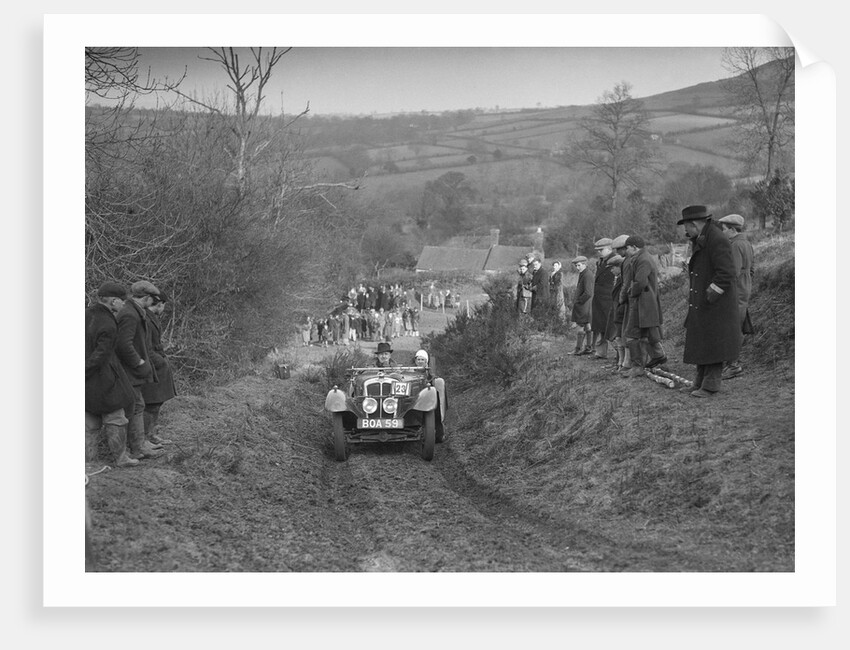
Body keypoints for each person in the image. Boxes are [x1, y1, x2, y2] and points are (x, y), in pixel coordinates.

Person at [678, 205, 741, 398]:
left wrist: (711, 294)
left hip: (716, 304)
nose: (685, 231)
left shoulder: (716, 239)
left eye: (686, 226)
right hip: (704, 302)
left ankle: (710, 386)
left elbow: (727, 272)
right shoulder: (704, 237)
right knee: (702, 343)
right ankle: (699, 382)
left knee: (713, 344)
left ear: (694, 224)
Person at [85, 282, 139, 468]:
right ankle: (121, 458)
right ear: (114, 301)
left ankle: (89, 462)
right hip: (103, 378)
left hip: (86, 381)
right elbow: (100, 355)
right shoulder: (108, 323)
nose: (123, 304)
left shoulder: (85, 315)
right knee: (116, 417)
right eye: (122, 301)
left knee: (89, 421)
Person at [115, 280, 163, 459]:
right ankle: (137, 447)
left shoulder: (133, 311)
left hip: (131, 370)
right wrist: (139, 362)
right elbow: (123, 344)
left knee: (138, 405)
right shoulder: (130, 314)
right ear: (147, 298)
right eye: (153, 299)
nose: (154, 302)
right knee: (135, 406)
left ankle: (139, 445)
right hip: (129, 371)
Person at [620, 236, 667, 378]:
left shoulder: (643, 260)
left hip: (642, 302)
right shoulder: (642, 257)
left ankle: (637, 367)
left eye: (627, 248)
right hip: (645, 302)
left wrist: (631, 293)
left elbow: (640, 282)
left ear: (634, 247)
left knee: (631, 335)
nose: (626, 250)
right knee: (647, 333)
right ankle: (658, 356)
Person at [718, 213, 755, 380]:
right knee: (736, 325)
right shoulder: (746, 243)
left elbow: (732, 273)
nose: (722, 232)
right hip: (744, 288)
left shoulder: (735, 245)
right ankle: (731, 363)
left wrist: (723, 291)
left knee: (732, 327)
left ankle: (733, 365)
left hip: (735, 290)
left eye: (724, 229)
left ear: (732, 229)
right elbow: (752, 269)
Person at [141, 291, 177, 447]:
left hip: (156, 365)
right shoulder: (145, 319)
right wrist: (160, 362)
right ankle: (145, 438)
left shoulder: (150, 317)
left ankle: (151, 435)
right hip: (151, 367)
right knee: (151, 403)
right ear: (160, 304)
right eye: (164, 305)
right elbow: (146, 347)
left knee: (156, 403)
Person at [590, 238, 615, 359]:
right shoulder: (600, 261)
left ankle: (620, 355)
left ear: (610, 248)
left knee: (612, 327)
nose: (599, 252)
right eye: (598, 250)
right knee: (600, 326)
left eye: (601, 249)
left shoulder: (615, 260)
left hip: (609, 298)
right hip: (599, 298)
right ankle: (600, 352)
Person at [603, 254, 627, 372]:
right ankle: (618, 362)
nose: (611, 270)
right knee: (616, 337)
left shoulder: (623, 279)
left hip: (620, 311)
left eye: (613, 268)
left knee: (619, 337)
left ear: (619, 267)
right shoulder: (618, 278)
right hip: (615, 310)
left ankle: (622, 363)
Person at [568, 256, 594, 355]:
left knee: (580, 325)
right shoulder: (584, 273)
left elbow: (588, 293)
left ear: (584, 264)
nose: (577, 267)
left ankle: (578, 349)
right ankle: (588, 347)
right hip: (585, 304)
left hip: (584, 305)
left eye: (579, 265)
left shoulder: (587, 275)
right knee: (587, 325)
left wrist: (578, 301)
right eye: (576, 265)